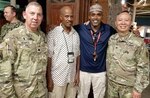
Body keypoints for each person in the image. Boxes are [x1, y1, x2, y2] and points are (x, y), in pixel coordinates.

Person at [0, 2, 48, 97]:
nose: (35, 17)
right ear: (24, 15)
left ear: (42, 17)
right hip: (21, 94)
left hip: (41, 93)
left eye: (39, 14)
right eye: (32, 13)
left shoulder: (43, 37)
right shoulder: (13, 36)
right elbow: (4, 72)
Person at [74, 3, 116, 98]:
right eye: (93, 14)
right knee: (82, 95)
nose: (95, 17)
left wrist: (133, 33)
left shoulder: (108, 29)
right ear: (89, 16)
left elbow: (120, 34)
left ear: (102, 16)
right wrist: (53, 28)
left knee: (99, 96)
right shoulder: (81, 28)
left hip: (100, 71)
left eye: (98, 14)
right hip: (83, 71)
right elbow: (67, 28)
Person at [106, 11, 149, 98]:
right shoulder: (112, 39)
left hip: (128, 88)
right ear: (116, 23)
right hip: (112, 85)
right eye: (120, 20)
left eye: (126, 20)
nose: (123, 22)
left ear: (130, 23)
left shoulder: (138, 43)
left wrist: (138, 89)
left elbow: (144, 68)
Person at [47, 6, 80, 98]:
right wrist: (49, 79)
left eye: (71, 16)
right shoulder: (53, 34)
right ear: (61, 17)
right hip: (57, 78)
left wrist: (77, 74)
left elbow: (78, 55)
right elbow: (49, 57)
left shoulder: (76, 34)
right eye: (66, 16)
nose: (69, 19)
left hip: (72, 77)